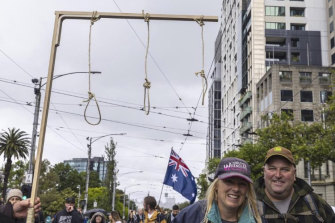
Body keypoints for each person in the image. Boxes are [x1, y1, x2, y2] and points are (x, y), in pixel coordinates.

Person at [255, 146, 335, 222]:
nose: (278, 175)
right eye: (272, 169)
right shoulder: (249, 205)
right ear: (264, 172)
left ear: (294, 174)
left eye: (285, 169)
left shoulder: (316, 203)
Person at [173, 157, 261, 223]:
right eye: (229, 181)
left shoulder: (258, 219)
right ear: (216, 186)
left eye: (242, 184)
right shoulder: (192, 215)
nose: (236, 188)